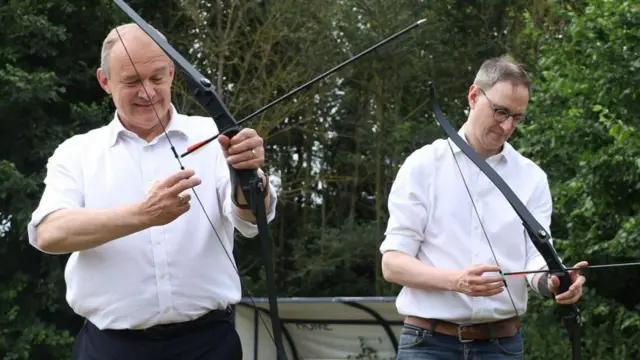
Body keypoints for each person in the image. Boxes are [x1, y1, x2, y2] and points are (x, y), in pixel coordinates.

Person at [26, 23, 277, 360]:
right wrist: (143, 215)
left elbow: (250, 221)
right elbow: (49, 233)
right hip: (111, 348)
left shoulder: (213, 135)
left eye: (157, 77)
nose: (147, 92)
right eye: (131, 81)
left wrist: (250, 177)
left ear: (172, 72)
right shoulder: (78, 152)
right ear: (105, 81)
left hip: (208, 344)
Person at [379, 55, 587, 359]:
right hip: (428, 343)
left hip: (500, 345)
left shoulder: (531, 177)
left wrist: (555, 281)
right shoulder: (423, 165)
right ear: (474, 96)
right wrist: (457, 281)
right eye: (500, 112)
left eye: (517, 118)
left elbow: (535, 261)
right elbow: (393, 264)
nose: (506, 127)